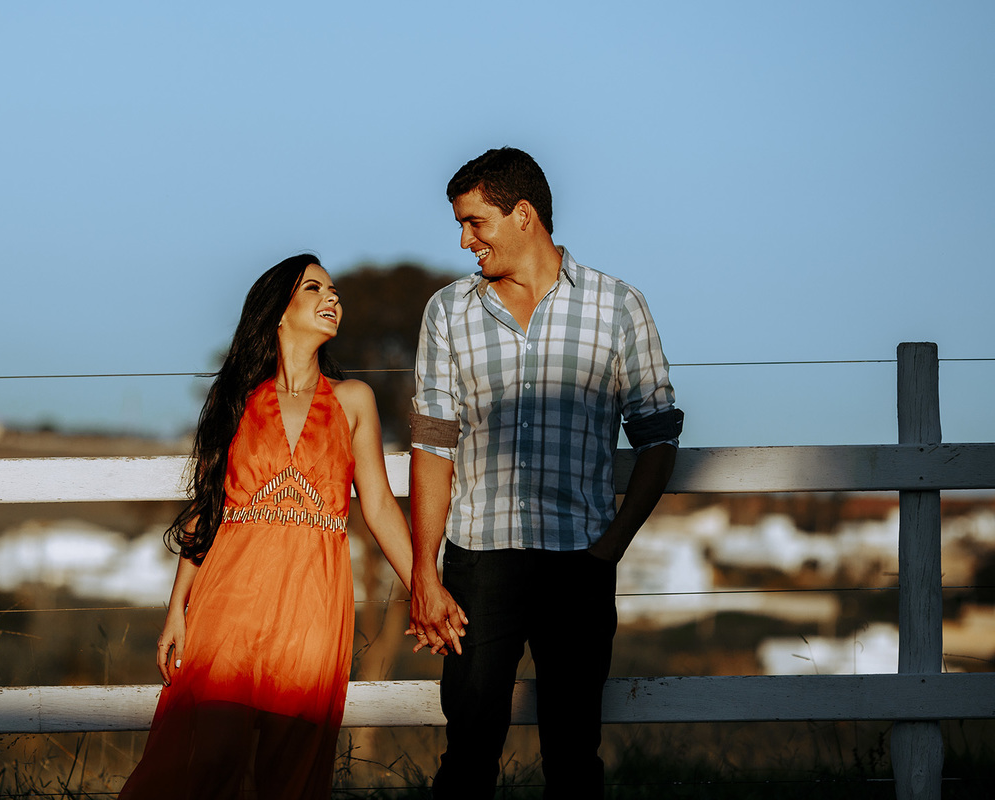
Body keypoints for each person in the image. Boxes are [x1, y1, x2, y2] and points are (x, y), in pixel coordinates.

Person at [408, 147, 683, 799]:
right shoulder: (448, 312)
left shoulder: (618, 307)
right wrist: (425, 570)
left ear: (522, 214)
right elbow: (433, 445)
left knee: (573, 756)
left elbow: (657, 436)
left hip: (579, 562)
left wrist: (609, 547)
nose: (464, 239)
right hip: (479, 558)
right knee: (469, 752)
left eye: (475, 222)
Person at [119, 254, 418, 800]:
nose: (333, 299)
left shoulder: (354, 401)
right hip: (229, 598)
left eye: (335, 291)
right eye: (314, 289)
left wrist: (426, 586)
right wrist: (176, 610)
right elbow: (207, 510)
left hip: (313, 602)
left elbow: (377, 505)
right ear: (279, 311)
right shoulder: (237, 399)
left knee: (290, 765)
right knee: (206, 754)